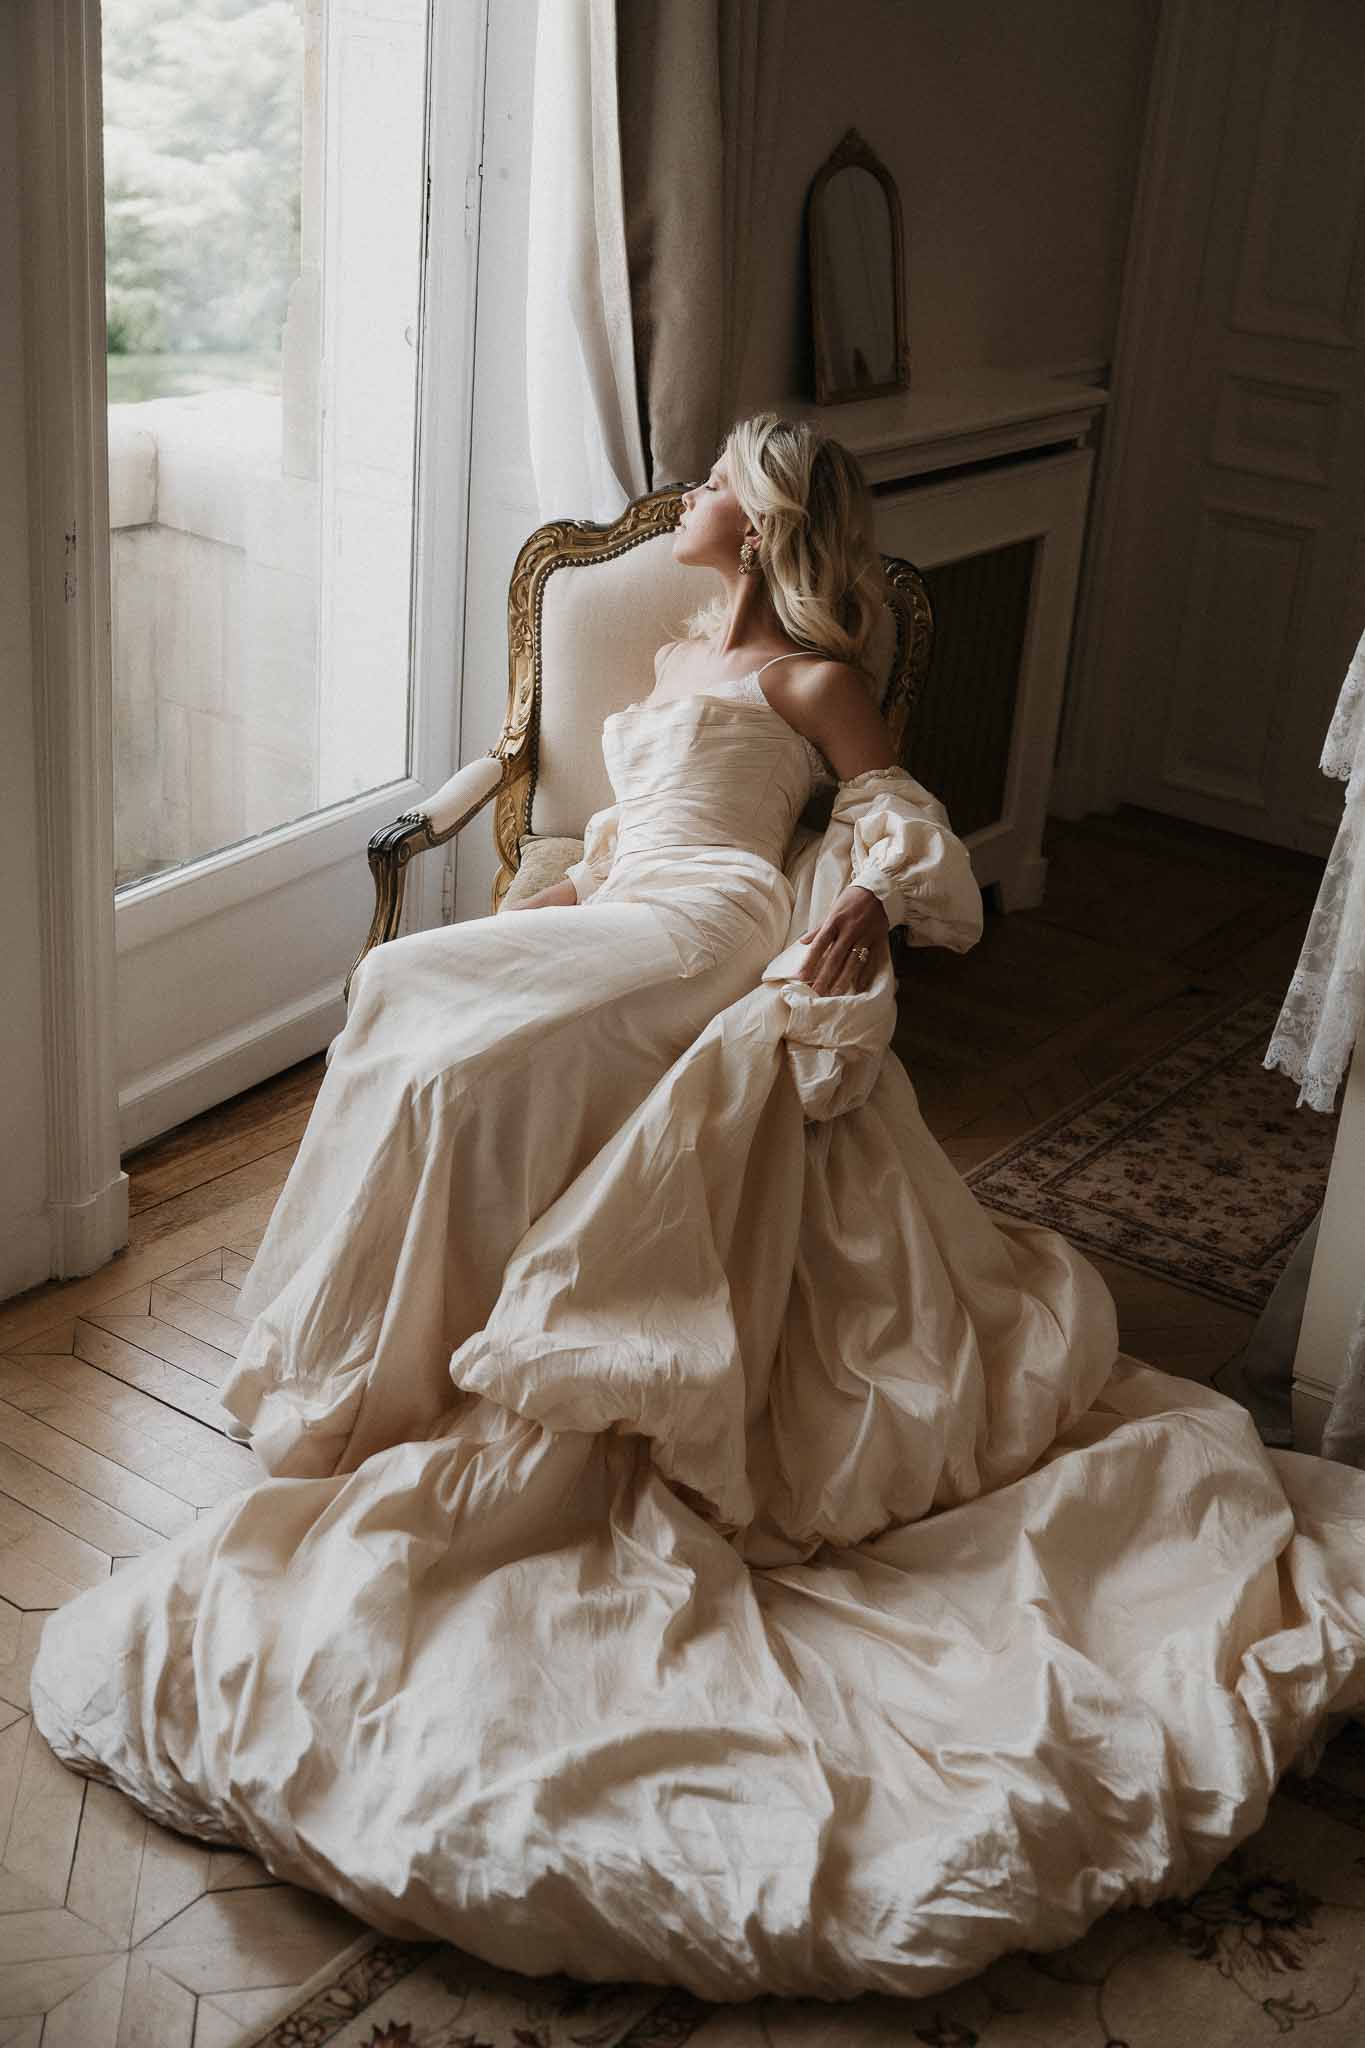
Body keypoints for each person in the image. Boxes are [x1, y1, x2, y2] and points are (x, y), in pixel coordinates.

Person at [30, 415, 1365, 2004]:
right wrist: (567, 881)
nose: (693, 495)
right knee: (401, 988)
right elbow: (610, 820)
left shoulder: (811, 672)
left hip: (718, 925)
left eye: (722, 478)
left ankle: (443, 1357)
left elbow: (893, 816)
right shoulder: (666, 648)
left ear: (769, 517)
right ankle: (390, 1362)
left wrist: (865, 893)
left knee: (465, 1065)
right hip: (621, 900)